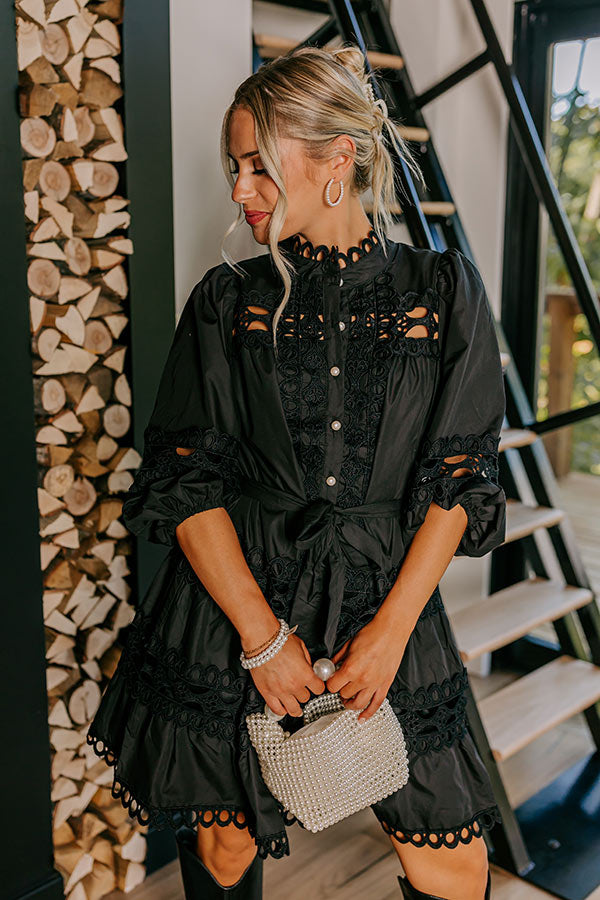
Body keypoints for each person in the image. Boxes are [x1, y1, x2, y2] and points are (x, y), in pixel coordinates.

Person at [87, 43, 506, 900]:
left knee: (453, 863)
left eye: (256, 166)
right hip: (238, 602)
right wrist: (264, 642)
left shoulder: (443, 289)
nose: (239, 190)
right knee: (225, 844)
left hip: (388, 601)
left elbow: (459, 478)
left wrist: (389, 633)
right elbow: (188, 483)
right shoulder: (224, 301)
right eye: (233, 169)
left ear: (336, 158)